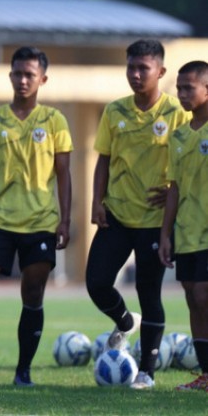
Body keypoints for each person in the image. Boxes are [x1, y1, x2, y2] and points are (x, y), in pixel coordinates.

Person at [0, 46, 72, 387]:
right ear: (10, 76)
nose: (23, 80)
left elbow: (65, 173)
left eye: (30, 74)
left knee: (34, 291)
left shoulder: (54, 120)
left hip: (40, 221)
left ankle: (23, 369)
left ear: (43, 79)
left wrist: (65, 219)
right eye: (17, 74)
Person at [85, 39, 189, 390]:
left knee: (149, 292)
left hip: (153, 221)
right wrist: (96, 201)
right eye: (130, 66)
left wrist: (175, 193)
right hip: (116, 214)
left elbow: (189, 160)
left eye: (142, 68)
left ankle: (146, 372)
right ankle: (126, 322)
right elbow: (104, 159)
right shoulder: (115, 111)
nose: (135, 74)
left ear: (160, 72)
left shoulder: (178, 113)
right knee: (96, 282)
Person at [159, 60, 208, 391]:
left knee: (204, 295)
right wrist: (165, 233)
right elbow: (173, 188)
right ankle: (205, 374)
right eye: (179, 88)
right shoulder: (177, 136)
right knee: (193, 297)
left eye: (188, 87)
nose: (181, 93)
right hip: (187, 232)